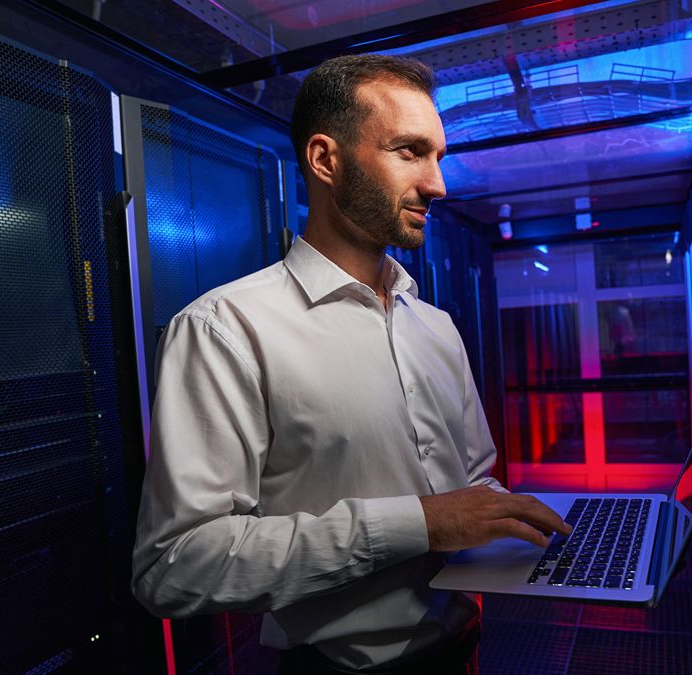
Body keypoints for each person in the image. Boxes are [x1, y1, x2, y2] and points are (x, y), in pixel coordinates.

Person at [131, 54, 571, 674]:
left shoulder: (436, 327)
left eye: (438, 156)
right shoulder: (225, 329)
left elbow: (473, 489)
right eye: (409, 152)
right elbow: (175, 567)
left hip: (465, 651)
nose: (437, 184)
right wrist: (417, 524)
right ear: (325, 160)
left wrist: (548, 541)